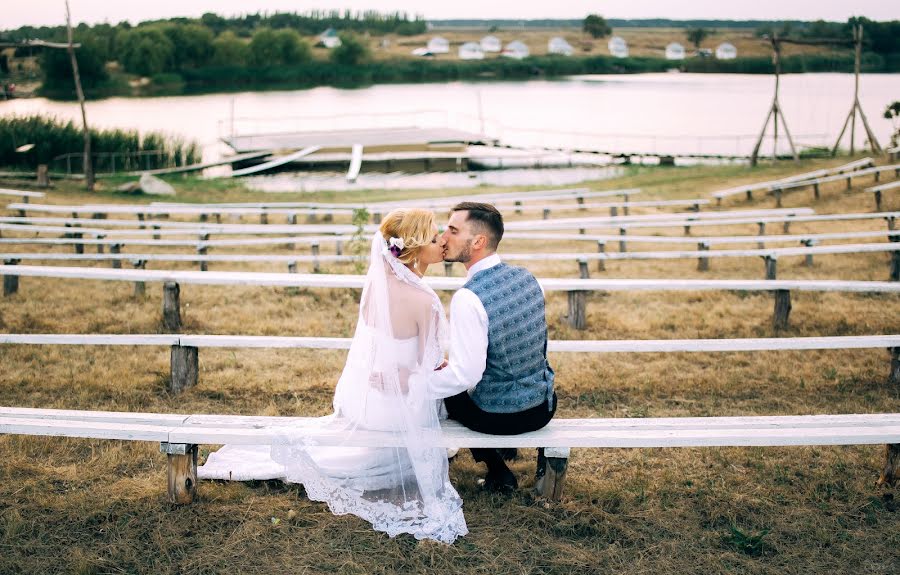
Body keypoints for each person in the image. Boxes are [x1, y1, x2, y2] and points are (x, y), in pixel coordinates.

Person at [198, 208, 468, 544]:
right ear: (411, 250)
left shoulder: (377, 288)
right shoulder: (424, 300)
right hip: (401, 409)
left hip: (370, 404)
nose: (441, 240)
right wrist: (437, 367)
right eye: (433, 237)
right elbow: (424, 371)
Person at [430, 202, 556, 491]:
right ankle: (504, 454)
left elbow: (466, 376)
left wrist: (415, 385)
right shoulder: (527, 277)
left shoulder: (468, 298)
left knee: (448, 387)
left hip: (503, 417)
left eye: (452, 230)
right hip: (544, 404)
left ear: (478, 241)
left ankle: (498, 472)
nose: (443, 237)